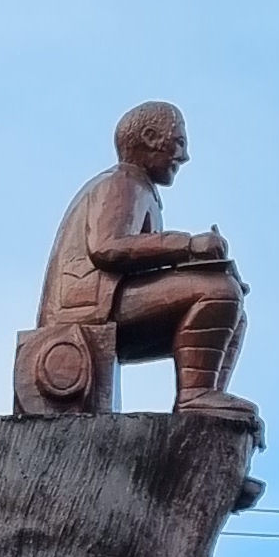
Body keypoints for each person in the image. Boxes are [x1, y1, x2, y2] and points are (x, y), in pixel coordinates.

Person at [35, 100, 255, 421]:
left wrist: (195, 265)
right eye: (179, 143)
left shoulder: (140, 188)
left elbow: (139, 262)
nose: (184, 156)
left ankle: (207, 397)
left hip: (106, 304)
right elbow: (108, 247)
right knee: (219, 291)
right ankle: (194, 396)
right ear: (151, 137)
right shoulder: (123, 183)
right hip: (86, 310)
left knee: (233, 308)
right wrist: (190, 246)